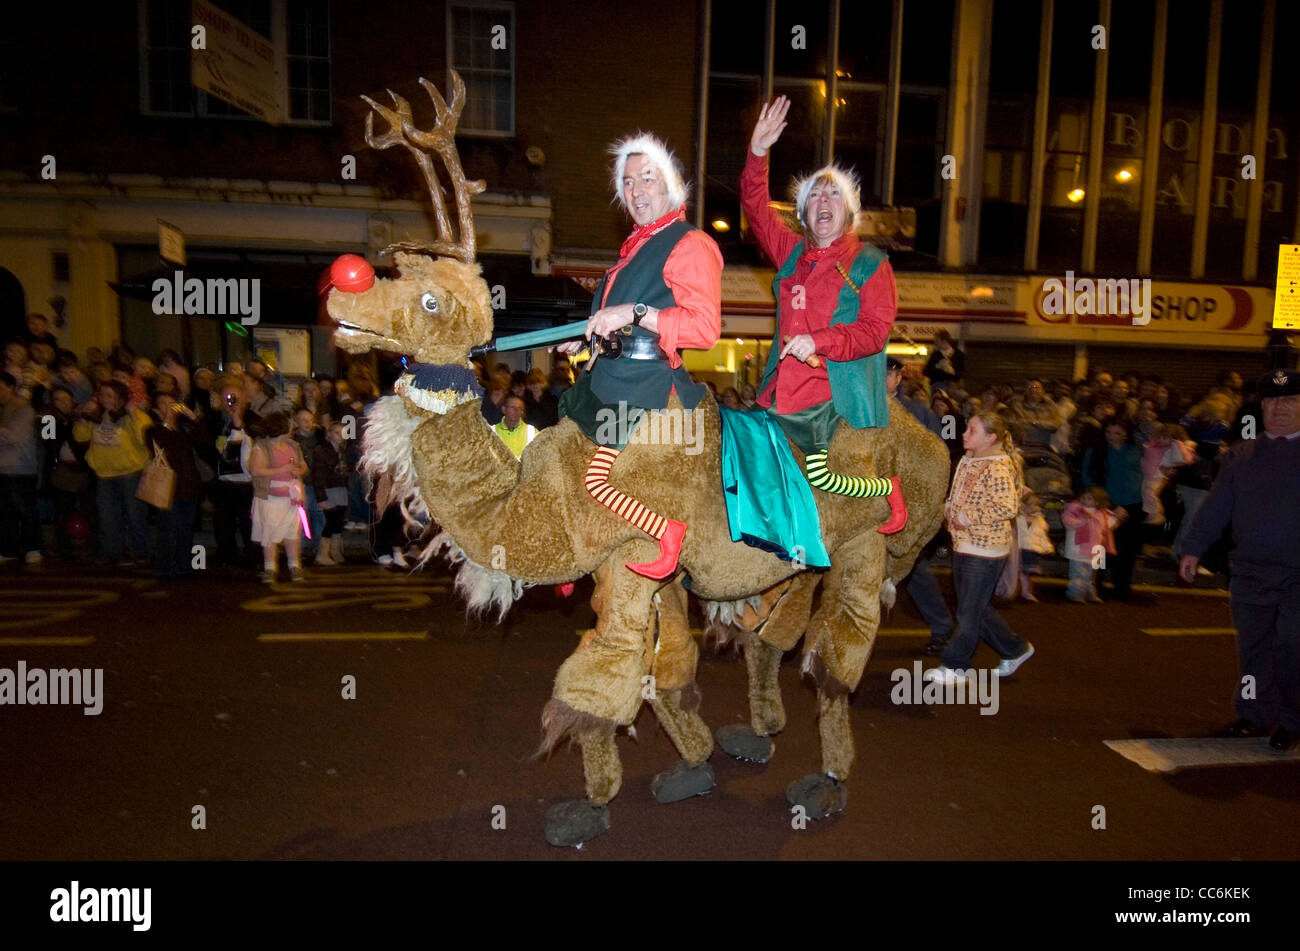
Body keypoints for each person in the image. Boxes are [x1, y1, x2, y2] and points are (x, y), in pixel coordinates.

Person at [553, 131, 723, 579]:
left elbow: (705, 330)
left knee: (595, 481)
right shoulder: (637, 246)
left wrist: (636, 310)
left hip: (647, 390)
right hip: (611, 382)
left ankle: (668, 534)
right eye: (628, 182)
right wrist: (586, 340)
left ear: (670, 185)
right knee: (566, 462)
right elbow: (618, 325)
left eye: (647, 179)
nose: (635, 191)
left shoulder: (690, 243)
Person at [740, 96, 907, 529]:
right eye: (814, 194)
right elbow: (756, 210)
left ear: (848, 211)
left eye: (833, 192)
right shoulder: (791, 252)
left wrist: (820, 341)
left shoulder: (871, 262)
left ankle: (889, 489)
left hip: (830, 397)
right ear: (804, 213)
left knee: (821, 476)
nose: (823, 199)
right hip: (777, 392)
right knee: (745, 466)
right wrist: (757, 152)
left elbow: (874, 331)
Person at [1180, 368, 1300, 752]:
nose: (1279, 408)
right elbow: (1216, 508)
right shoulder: (1241, 456)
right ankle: (1254, 715)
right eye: (1272, 401)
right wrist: (1192, 548)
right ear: (1262, 406)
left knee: (1292, 649)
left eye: (1290, 401)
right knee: (1253, 650)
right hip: (1250, 572)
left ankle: (1293, 720)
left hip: (1298, 576)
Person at [925, 412, 1034, 683]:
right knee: (975, 607)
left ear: (991, 437)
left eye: (972, 430)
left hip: (984, 550)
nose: (964, 434)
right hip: (965, 544)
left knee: (968, 611)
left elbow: (1006, 506)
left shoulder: (997, 466)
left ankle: (957, 665)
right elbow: (958, 493)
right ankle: (1015, 649)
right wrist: (949, 508)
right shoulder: (968, 459)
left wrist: (964, 517)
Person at [74, 380, 152, 566]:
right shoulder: (98, 416)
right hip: (104, 474)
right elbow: (80, 436)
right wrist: (83, 417)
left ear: (120, 397)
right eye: (102, 395)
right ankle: (111, 552)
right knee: (107, 515)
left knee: (135, 515)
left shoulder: (133, 416)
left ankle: (140, 552)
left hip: (131, 472)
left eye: (109, 395)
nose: (105, 399)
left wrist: (133, 415)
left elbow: (144, 438)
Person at [1082, 418, 1144, 599]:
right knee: (1101, 547)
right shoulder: (1096, 451)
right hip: (1106, 505)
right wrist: (1109, 505)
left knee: (1128, 549)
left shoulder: (1135, 450)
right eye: (1108, 432)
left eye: (1117, 433)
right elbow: (1088, 478)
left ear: (1126, 433)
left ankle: (1122, 585)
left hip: (1133, 503)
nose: (1112, 437)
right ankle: (1096, 582)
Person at [144, 393, 203, 579]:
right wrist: (167, 421)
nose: (169, 407)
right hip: (167, 487)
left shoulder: (185, 429)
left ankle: (184, 564)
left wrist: (193, 417)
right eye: (164, 404)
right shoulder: (153, 430)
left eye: (172, 404)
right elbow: (161, 446)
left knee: (186, 528)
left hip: (188, 486)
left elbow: (205, 441)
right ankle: (164, 567)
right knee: (167, 529)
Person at [247, 411, 308, 583]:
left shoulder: (293, 446)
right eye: (289, 423)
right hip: (270, 498)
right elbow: (256, 470)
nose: (292, 426)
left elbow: (303, 466)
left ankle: (294, 566)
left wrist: (299, 470)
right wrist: (283, 470)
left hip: (291, 497)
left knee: (292, 533)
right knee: (270, 533)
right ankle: (270, 568)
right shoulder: (261, 447)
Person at [0, 371, 42, 564]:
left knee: (25, 511)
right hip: (4, 468)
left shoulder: (24, 409)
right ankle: (8, 549)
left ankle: (32, 547)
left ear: (11, 387)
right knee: (6, 512)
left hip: (21, 469)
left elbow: (12, 436)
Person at [1061, 486, 1122, 603]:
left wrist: (1117, 517)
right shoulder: (1074, 510)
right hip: (1078, 549)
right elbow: (1068, 522)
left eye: (1088, 498)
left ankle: (1089, 593)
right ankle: (1075, 593)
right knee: (1078, 574)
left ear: (1097, 501)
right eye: (1083, 497)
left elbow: (1108, 527)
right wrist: (1084, 520)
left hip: (1097, 549)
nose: (1084, 500)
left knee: (1091, 575)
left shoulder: (1102, 513)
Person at [312, 421, 351, 566]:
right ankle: (322, 553)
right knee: (330, 521)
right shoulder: (322, 450)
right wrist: (321, 497)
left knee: (338, 522)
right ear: (329, 434)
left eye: (342, 433)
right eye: (337, 433)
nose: (340, 436)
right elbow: (318, 475)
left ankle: (334, 551)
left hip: (340, 489)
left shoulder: (341, 451)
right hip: (330, 489)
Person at [493, 394, 537, 458]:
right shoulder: (491, 431)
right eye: (512, 407)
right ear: (504, 409)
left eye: (519, 408)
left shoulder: (532, 432)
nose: (516, 410)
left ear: (522, 412)